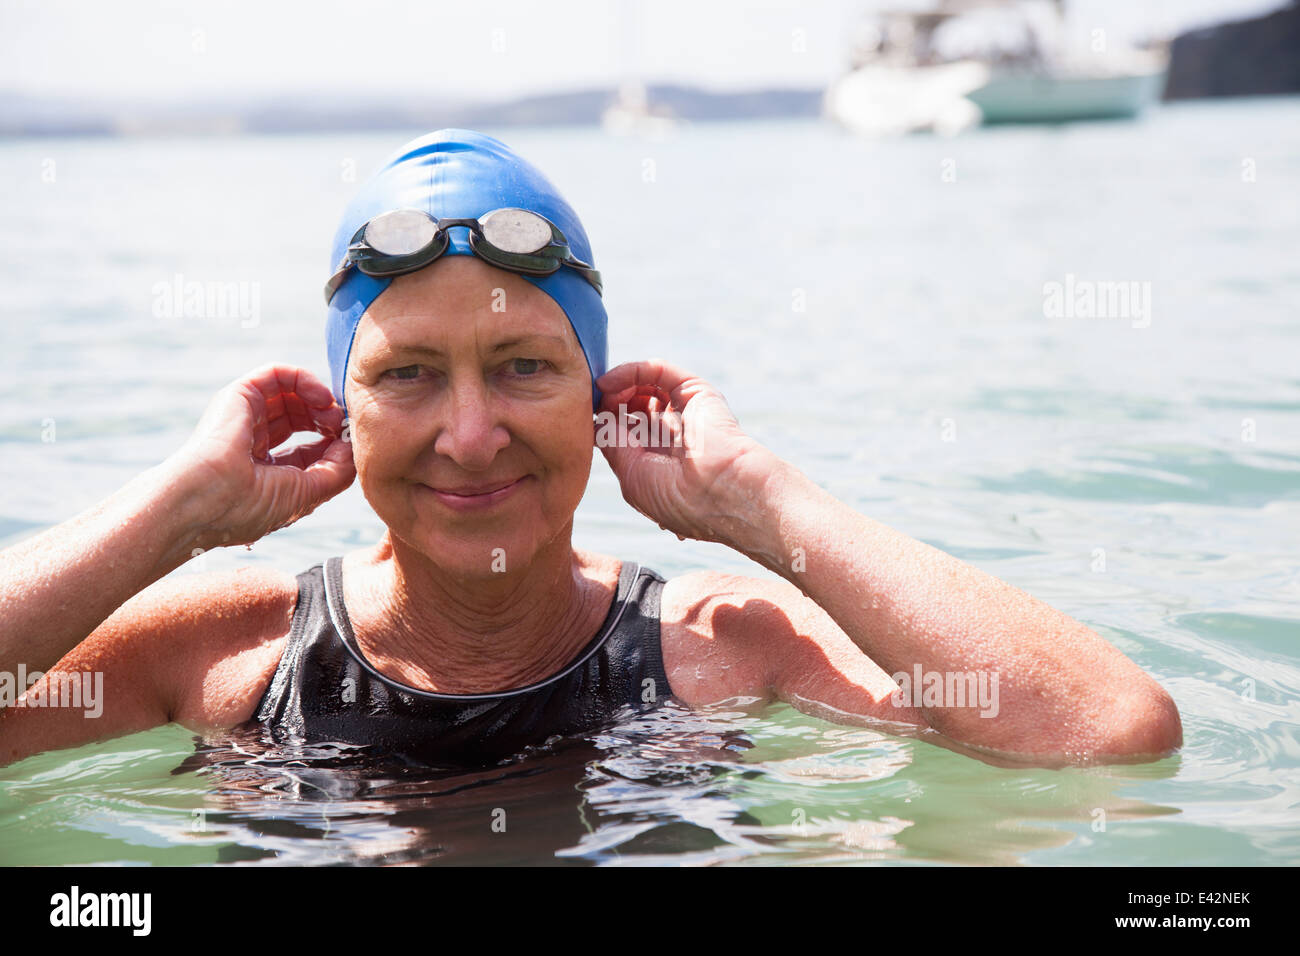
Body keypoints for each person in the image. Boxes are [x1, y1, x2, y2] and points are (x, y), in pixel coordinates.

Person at [0, 129, 1180, 770]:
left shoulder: (724, 652)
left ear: (599, 401)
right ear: (343, 411)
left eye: (524, 366)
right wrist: (176, 513)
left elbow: (1107, 735)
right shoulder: (224, 659)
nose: (471, 434)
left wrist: (763, 506)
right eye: (408, 373)